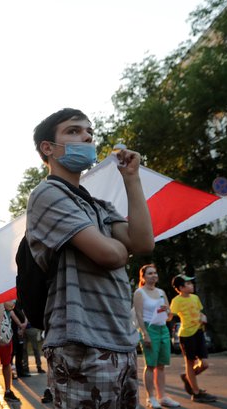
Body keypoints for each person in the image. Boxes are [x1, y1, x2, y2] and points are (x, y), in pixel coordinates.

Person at [26, 108, 155, 408]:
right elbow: (111, 255)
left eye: (89, 132)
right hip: (80, 344)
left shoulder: (99, 205)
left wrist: (132, 179)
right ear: (48, 148)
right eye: (73, 131)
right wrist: (119, 247)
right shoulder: (47, 194)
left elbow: (144, 242)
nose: (86, 136)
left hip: (121, 340)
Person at [134, 264, 180, 408]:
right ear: (143, 277)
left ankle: (162, 397)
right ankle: (150, 397)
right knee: (151, 365)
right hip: (149, 329)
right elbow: (139, 314)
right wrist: (145, 333)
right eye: (149, 273)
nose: (153, 275)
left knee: (161, 365)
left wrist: (168, 311)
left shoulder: (161, 292)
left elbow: (169, 316)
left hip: (163, 329)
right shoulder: (139, 293)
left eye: (155, 273)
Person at [170, 274, 217, 403]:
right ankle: (196, 393)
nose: (192, 285)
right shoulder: (176, 301)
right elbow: (169, 316)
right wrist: (163, 312)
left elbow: (199, 312)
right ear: (181, 287)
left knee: (205, 364)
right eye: (188, 284)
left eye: (191, 283)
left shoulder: (195, 298)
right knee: (190, 363)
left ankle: (187, 378)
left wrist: (203, 317)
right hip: (186, 335)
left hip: (199, 332)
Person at [0, 301, 20, 402]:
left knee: (6, 362)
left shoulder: (3, 287)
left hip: (4, 330)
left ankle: (7, 391)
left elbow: (10, 305)